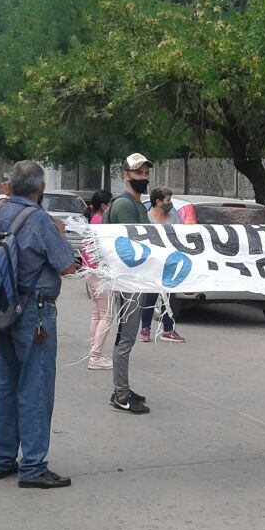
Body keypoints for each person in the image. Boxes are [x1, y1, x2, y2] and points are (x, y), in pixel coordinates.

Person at [0, 160, 77, 488]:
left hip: (3, 308)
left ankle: (3, 458)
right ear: (41, 189)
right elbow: (66, 265)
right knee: (35, 387)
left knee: (6, 383)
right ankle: (34, 466)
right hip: (35, 311)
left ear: (9, 185)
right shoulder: (39, 220)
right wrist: (60, 233)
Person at [106, 152, 154, 415]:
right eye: (138, 173)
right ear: (126, 175)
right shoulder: (125, 205)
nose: (143, 178)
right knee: (125, 339)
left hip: (134, 281)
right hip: (127, 282)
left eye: (146, 173)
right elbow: (134, 245)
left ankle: (122, 386)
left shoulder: (137, 204)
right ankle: (120, 393)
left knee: (127, 337)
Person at [140, 187, 185, 343]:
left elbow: (181, 236)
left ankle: (168, 329)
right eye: (167, 200)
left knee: (170, 297)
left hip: (170, 262)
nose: (170, 203)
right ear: (158, 202)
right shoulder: (147, 219)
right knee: (150, 296)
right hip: (153, 264)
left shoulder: (174, 217)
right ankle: (145, 329)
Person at [83, 189, 115, 370]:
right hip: (100, 274)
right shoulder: (102, 223)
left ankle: (95, 351)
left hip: (90, 273)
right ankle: (96, 356)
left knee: (97, 314)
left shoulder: (93, 221)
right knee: (108, 315)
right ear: (104, 206)